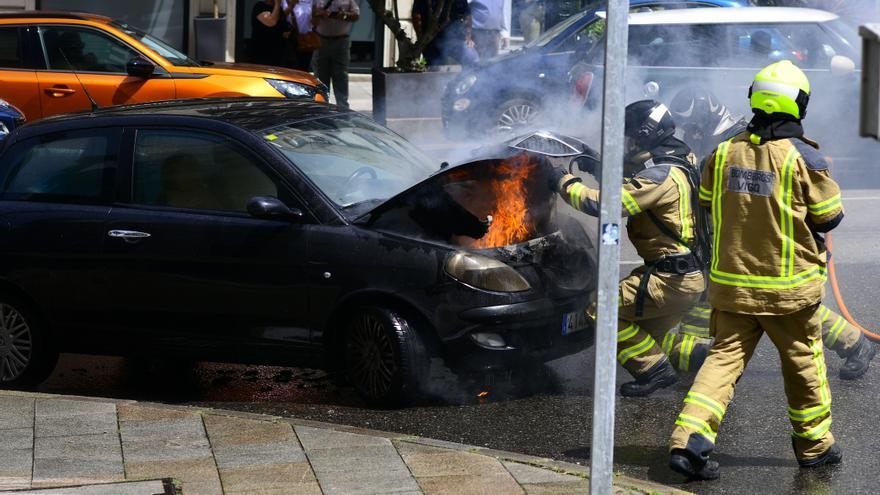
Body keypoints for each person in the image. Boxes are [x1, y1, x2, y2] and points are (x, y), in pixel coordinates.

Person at [668, 61, 844, 480]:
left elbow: (708, 200)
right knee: (803, 363)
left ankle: (688, 442)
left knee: (722, 362)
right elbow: (829, 215)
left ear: (754, 97)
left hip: (732, 287)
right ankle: (814, 447)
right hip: (788, 295)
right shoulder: (804, 157)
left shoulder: (724, 151)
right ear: (799, 104)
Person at [666, 85, 877, 380]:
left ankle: (854, 344)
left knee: (787, 308)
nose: (688, 132)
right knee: (721, 298)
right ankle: (694, 357)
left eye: (690, 125)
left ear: (703, 117)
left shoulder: (741, 140)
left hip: (760, 236)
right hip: (729, 236)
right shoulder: (720, 139)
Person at [550, 100, 707, 398]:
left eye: (632, 136)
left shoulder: (659, 176)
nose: (629, 143)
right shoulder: (682, 157)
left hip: (668, 280)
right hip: (688, 277)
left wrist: (563, 182)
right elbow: (637, 178)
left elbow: (605, 203)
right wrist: (600, 167)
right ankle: (695, 363)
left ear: (646, 134)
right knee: (647, 337)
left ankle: (655, 371)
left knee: (602, 311)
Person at [313, 0, 359, 108]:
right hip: (321, 40)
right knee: (320, 76)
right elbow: (309, 14)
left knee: (340, 76)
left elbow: (356, 16)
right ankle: (321, 108)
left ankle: (343, 110)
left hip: (341, 41)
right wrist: (317, 13)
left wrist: (340, 15)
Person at [413, 0, 478, 67]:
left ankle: (466, 76)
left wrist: (468, 38)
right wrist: (421, 38)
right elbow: (416, 16)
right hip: (432, 43)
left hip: (456, 40)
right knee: (435, 68)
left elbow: (467, 16)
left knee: (471, 57)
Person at [251, 0, 290, 67]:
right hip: (262, 52)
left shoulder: (279, 9)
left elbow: (283, 26)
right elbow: (271, 22)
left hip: (278, 53)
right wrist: (278, 3)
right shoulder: (259, 6)